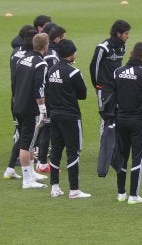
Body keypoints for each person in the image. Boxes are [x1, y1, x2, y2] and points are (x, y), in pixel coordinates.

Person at [45, 39, 91, 198]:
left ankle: (55, 188)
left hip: (55, 115)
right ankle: (74, 190)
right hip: (70, 116)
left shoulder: (51, 70)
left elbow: (47, 91)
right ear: (71, 54)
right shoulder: (74, 72)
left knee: (56, 151)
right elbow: (83, 94)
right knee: (73, 151)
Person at [112, 42, 142, 204]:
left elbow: (113, 92)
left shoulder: (117, 72)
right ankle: (133, 195)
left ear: (131, 53)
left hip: (121, 119)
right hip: (139, 120)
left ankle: (121, 193)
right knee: (138, 157)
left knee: (122, 155)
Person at [89, 19, 131, 177]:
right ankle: (104, 152)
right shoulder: (103, 48)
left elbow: (119, 66)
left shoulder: (122, 46)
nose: (128, 36)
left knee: (116, 116)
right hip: (104, 89)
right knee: (105, 118)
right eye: (126, 33)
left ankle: (113, 148)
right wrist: (98, 86)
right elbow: (94, 67)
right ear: (118, 33)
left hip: (117, 88)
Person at [12, 33, 51, 189]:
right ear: (45, 46)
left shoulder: (23, 59)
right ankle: (27, 180)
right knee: (26, 144)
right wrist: (43, 109)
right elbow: (39, 88)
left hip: (18, 104)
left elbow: (15, 82)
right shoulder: (41, 64)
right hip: (30, 108)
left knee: (28, 141)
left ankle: (31, 174)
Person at [4, 26, 36, 179]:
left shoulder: (16, 53)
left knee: (23, 133)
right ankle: (27, 174)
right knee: (26, 135)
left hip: (16, 98)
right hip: (25, 100)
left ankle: (11, 168)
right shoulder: (30, 58)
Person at [35, 24, 67, 174]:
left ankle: (38, 159)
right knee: (47, 128)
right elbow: (54, 77)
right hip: (48, 96)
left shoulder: (45, 53)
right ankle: (42, 163)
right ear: (57, 38)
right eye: (63, 37)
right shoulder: (53, 55)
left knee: (42, 127)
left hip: (39, 94)